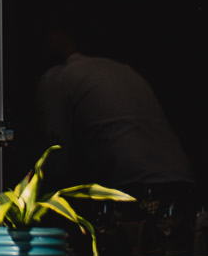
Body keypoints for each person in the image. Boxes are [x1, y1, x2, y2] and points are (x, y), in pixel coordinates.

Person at [37, 13, 194, 195]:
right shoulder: (119, 69)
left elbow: (55, 153)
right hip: (179, 176)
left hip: (132, 184)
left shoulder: (56, 78)